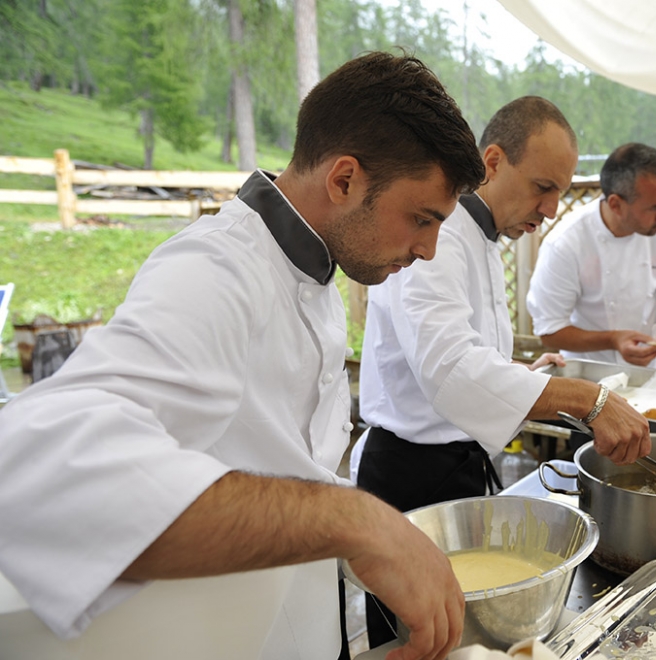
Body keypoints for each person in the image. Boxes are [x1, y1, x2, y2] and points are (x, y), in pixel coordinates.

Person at [0, 52, 487, 660]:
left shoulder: (313, 273)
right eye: (421, 218)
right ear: (344, 180)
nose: (430, 250)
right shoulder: (217, 269)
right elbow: (34, 461)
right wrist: (357, 520)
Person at [354, 97, 652, 648]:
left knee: (467, 644)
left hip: (460, 470)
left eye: (560, 191)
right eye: (543, 186)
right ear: (492, 161)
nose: (553, 207)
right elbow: (449, 371)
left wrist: (524, 372)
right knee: (420, 644)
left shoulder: (485, 237)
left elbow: (468, 355)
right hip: (410, 478)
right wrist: (587, 398)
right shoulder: (439, 237)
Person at [526, 143, 656, 370]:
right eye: (654, 207)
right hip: (589, 375)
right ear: (616, 204)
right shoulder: (566, 243)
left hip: (652, 372)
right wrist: (613, 340)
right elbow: (550, 331)